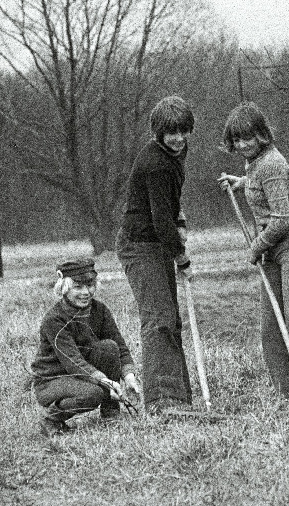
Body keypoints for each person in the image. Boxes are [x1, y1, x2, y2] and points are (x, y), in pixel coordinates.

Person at [218, 102, 289, 408]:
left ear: (262, 135)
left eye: (249, 138)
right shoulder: (255, 164)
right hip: (273, 247)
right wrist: (241, 183)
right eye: (237, 140)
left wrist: (256, 246)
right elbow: (264, 189)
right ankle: (286, 395)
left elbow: (281, 219)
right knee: (270, 327)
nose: (243, 145)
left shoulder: (271, 163)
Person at [116, 95, 195, 415]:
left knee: (171, 320)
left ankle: (178, 397)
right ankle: (162, 402)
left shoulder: (176, 154)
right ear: (158, 133)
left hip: (159, 241)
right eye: (170, 133)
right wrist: (182, 258)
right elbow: (160, 218)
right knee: (158, 320)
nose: (177, 138)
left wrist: (181, 221)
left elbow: (169, 206)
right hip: (140, 245)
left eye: (182, 131)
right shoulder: (155, 164)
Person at [31, 258, 141, 436]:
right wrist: (105, 381)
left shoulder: (100, 310)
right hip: (52, 380)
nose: (86, 292)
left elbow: (119, 345)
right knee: (94, 394)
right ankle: (50, 418)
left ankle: (111, 413)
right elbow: (72, 361)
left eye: (90, 285)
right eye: (78, 287)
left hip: (81, 374)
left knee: (109, 347)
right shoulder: (54, 319)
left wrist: (129, 376)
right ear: (64, 288)